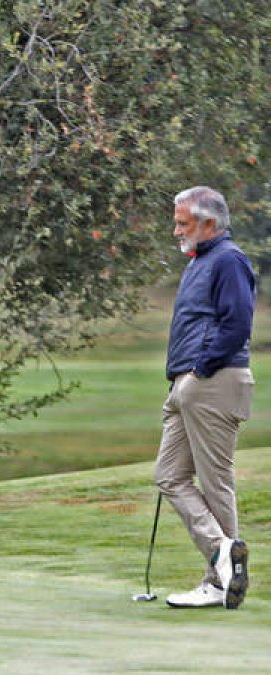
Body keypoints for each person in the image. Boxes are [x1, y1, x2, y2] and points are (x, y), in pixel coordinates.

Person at [155, 186, 254, 610]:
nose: (176, 230)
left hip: (212, 381)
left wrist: (200, 369)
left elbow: (237, 324)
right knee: (169, 475)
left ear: (209, 224)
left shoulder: (228, 260)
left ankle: (219, 582)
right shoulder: (201, 260)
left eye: (183, 222)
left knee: (214, 483)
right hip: (188, 385)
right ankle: (221, 553)